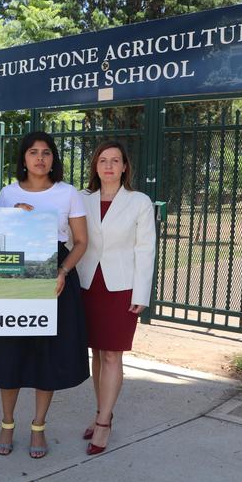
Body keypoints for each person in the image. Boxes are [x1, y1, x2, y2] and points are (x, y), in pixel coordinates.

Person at [0, 130, 90, 459]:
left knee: (47, 354)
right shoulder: (7, 193)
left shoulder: (68, 193)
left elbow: (81, 242)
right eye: (33, 152)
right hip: (16, 272)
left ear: (53, 159)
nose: (40, 158)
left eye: (46, 152)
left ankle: (38, 427)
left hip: (55, 273)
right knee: (10, 351)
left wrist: (62, 272)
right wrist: (11, 216)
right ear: (23, 158)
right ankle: (6, 423)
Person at [76, 140, 155, 455]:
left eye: (115, 160)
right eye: (102, 160)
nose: (108, 166)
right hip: (87, 285)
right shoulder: (82, 200)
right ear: (95, 166)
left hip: (121, 288)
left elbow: (145, 249)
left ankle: (105, 422)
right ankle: (100, 412)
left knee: (112, 355)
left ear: (125, 166)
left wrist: (142, 293)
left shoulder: (139, 202)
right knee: (96, 353)